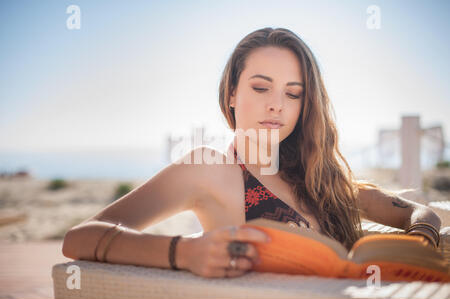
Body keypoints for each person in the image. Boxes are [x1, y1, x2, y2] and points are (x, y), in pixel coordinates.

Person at [62, 27, 442, 279]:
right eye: (261, 88)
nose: (277, 105)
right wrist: (185, 252)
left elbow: (414, 211)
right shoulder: (211, 169)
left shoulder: (319, 178)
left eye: (293, 93)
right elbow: (79, 239)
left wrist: (424, 235)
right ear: (231, 93)